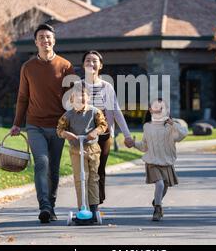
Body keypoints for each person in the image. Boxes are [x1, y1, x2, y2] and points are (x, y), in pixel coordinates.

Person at [10, 23, 75, 224]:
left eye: (48, 37)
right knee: (42, 162)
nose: (45, 40)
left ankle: (52, 205)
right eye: (41, 37)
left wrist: (72, 124)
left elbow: (73, 100)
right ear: (35, 42)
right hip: (35, 124)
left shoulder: (66, 66)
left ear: (53, 41)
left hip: (58, 126)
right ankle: (44, 206)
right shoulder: (28, 67)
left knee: (53, 168)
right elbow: (22, 97)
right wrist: (17, 123)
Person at [80, 51, 134, 205]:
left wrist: (127, 135)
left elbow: (116, 111)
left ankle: (97, 202)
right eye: (88, 60)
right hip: (84, 135)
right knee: (86, 170)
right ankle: (87, 201)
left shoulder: (107, 87)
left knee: (99, 168)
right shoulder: (78, 85)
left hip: (104, 134)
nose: (91, 63)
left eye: (95, 60)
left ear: (100, 65)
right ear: (83, 65)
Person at [57, 84, 108, 217]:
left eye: (84, 95)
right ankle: (82, 207)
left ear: (89, 97)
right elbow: (59, 130)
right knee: (80, 178)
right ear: (72, 99)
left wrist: (95, 131)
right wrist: (66, 134)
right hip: (76, 149)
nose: (82, 98)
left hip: (92, 148)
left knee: (93, 177)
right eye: (78, 96)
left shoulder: (95, 112)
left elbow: (103, 125)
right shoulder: (67, 116)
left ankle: (94, 207)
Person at [133, 98, 188, 221]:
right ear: (150, 110)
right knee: (160, 184)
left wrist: (173, 124)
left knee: (165, 186)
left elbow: (183, 134)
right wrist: (133, 143)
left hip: (167, 161)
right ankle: (157, 209)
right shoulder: (147, 127)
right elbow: (144, 146)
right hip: (152, 161)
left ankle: (157, 201)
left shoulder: (171, 127)